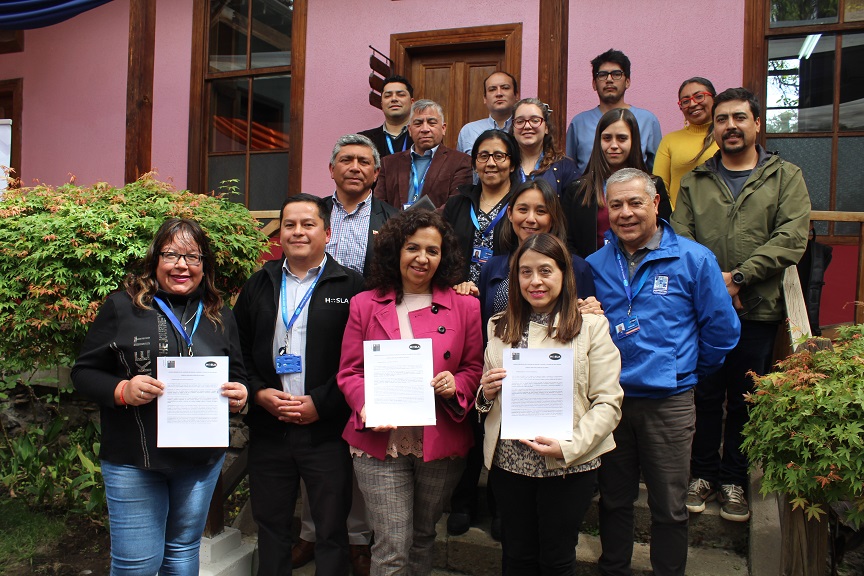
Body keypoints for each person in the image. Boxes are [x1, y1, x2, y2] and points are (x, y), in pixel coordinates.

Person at [71, 218, 249, 575]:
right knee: (138, 564)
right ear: (155, 260)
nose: (182, 265)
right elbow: (83, 373)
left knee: (183, 555)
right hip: (135, 458)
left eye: (192, 257)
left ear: (204, 266)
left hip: (200, 459)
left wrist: (240, 394)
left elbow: (238, 376)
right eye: (171, 255)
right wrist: (122, 389)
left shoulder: (219, 314)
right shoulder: (122, 307)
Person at [586, 168, 740, 576]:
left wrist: (683, 372)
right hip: (610, 403)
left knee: (669, 506)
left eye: (635, 202)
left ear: (656, 204)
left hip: (669, 403)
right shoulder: (594, 265)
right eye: (616, 204)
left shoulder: (694, 258)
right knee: (614, 500)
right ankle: (613, 568)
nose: (625, 213)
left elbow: (723, 332)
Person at [671, 87, 810, 523]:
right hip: (705, 311)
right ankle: (703, 474)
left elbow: (791, 237)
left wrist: (740, 278)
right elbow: (681, 238)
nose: (730, 126)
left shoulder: (786, 176)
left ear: (756, 124)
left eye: (739, 118)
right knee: (706, 394)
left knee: (747, 395)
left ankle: (734, 479)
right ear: (713, 128)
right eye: (722, 119)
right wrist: (716, 284)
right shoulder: (695, 181)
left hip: (758, 306)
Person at [447, 178, 596, 539]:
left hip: (557, 402)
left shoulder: (578, 266)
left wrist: (593, 309)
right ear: (509, 214)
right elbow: (484, 323)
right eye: (522, 209)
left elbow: (585, 328)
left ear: (553, 216)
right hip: (505, 393)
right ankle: (495, 509)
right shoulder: (493, 265)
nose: (530, 218)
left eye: (541, 210)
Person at [337, 209, 483, 575]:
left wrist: (456, 384)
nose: (422, 258)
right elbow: (350, 371)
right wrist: (364, 402)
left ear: (443, 256)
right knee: (392, 545)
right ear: (394, 251)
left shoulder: (466, 305)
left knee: (422, 536)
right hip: (379, 441)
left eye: (432, 251)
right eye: (412, 248)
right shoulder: (364, 304)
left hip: (439, 439)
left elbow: (473, 368)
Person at [233, 194, 366, 576]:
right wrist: (258, 392)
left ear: (327, 232)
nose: (298, 232)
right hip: (270, 427)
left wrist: (321, 404)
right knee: (271, 524)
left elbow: (357, 359)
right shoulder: (259, 283)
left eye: (308, 224)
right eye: (289, 224)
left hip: (326, 429)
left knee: (330, 528)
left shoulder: (352, 285)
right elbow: (238, 347)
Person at [476, 232, 623, 575]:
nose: (535, 281)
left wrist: (568, 445)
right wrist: (485, 393)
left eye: (545, 271)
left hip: (568, 465)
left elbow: (609, 403)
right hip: (509, 463)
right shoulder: (498, 326)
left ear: (563, 274)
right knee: (515, 556)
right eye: (525, 272)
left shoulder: (591, 326)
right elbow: (484, 402)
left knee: (556, 559)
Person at [563, 108, 672, 258]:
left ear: (633, 141)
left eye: (622, 138)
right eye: (607, 138)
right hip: (594, 275)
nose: (614, 145)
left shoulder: (654, 185)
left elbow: (664, 234)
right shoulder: (577, 190)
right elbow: (568, 243)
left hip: (644, 272)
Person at [565, 49, 662, 176]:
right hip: (590, 194)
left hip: (633, 193)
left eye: (616, 74)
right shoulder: (579, 123)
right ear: (594, 84)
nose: (609, 79)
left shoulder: (647, 120)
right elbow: (569, 170)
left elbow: (656, 170)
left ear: (627, 82)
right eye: (602, 75)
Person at [443, 129, 521, 284]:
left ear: (512, 165)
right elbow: (445, 252)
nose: (490, 163)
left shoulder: (522, 205)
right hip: (461, 295)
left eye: (499, 156)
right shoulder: (457, 204)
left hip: (505, 297)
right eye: (483, 156)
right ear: (474, 164)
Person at [374, 100, 472, 210]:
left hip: (438, 226)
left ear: (443, 128)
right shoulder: (389, 163)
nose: (425, 129)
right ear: (410, 130)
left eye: (432, 123)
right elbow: (379, 205)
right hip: (395, 226)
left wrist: (420, 224)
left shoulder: (460, 162)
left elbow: (455, 205)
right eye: (418, 123)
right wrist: (399, 224)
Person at [324, 133, 399, 276]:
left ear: (376, 173)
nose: (355, 168)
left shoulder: (394, 220)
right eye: (346, 160)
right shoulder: (313, 212)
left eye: (364, 162)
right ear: (332, 169)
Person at [653, 77, 718, 208]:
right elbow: (659, 185)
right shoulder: (670, 140)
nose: (693, 104)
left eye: (699, 96)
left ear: (714, 100)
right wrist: (674, 217)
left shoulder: (726, 137)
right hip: (678, 222)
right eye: (685, 101)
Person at [509, 98, 579, 196]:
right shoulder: (504, 165)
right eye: (520, 121)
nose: (527, 126)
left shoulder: (565, 167)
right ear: (513, 129)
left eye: (535, 120)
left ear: (546, 128)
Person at [456, 71, 520, 154]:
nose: (499, 93)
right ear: (485, 98)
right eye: (492, 89)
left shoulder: (525, 129)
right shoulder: (468, 131)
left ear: (517, 95)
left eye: (505, 88)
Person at [359, 75, 414, 159]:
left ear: (412, 102)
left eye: (401, 95)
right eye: (388, 96)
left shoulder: (424, 137)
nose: (394, 99)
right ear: (382, 104)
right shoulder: (364, 140)